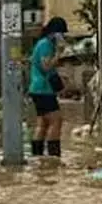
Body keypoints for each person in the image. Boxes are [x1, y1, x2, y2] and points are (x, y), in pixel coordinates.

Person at [28, 17, 69, 157]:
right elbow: (46, 66)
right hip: (43, 89)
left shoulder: (44, 44)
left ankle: (38, 156)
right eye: (61, 34)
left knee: (43, 122)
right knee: (56, 120)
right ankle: (53, 156)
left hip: (39, 88)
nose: (62, 37)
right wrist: (58, 53)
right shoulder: (45, 45)